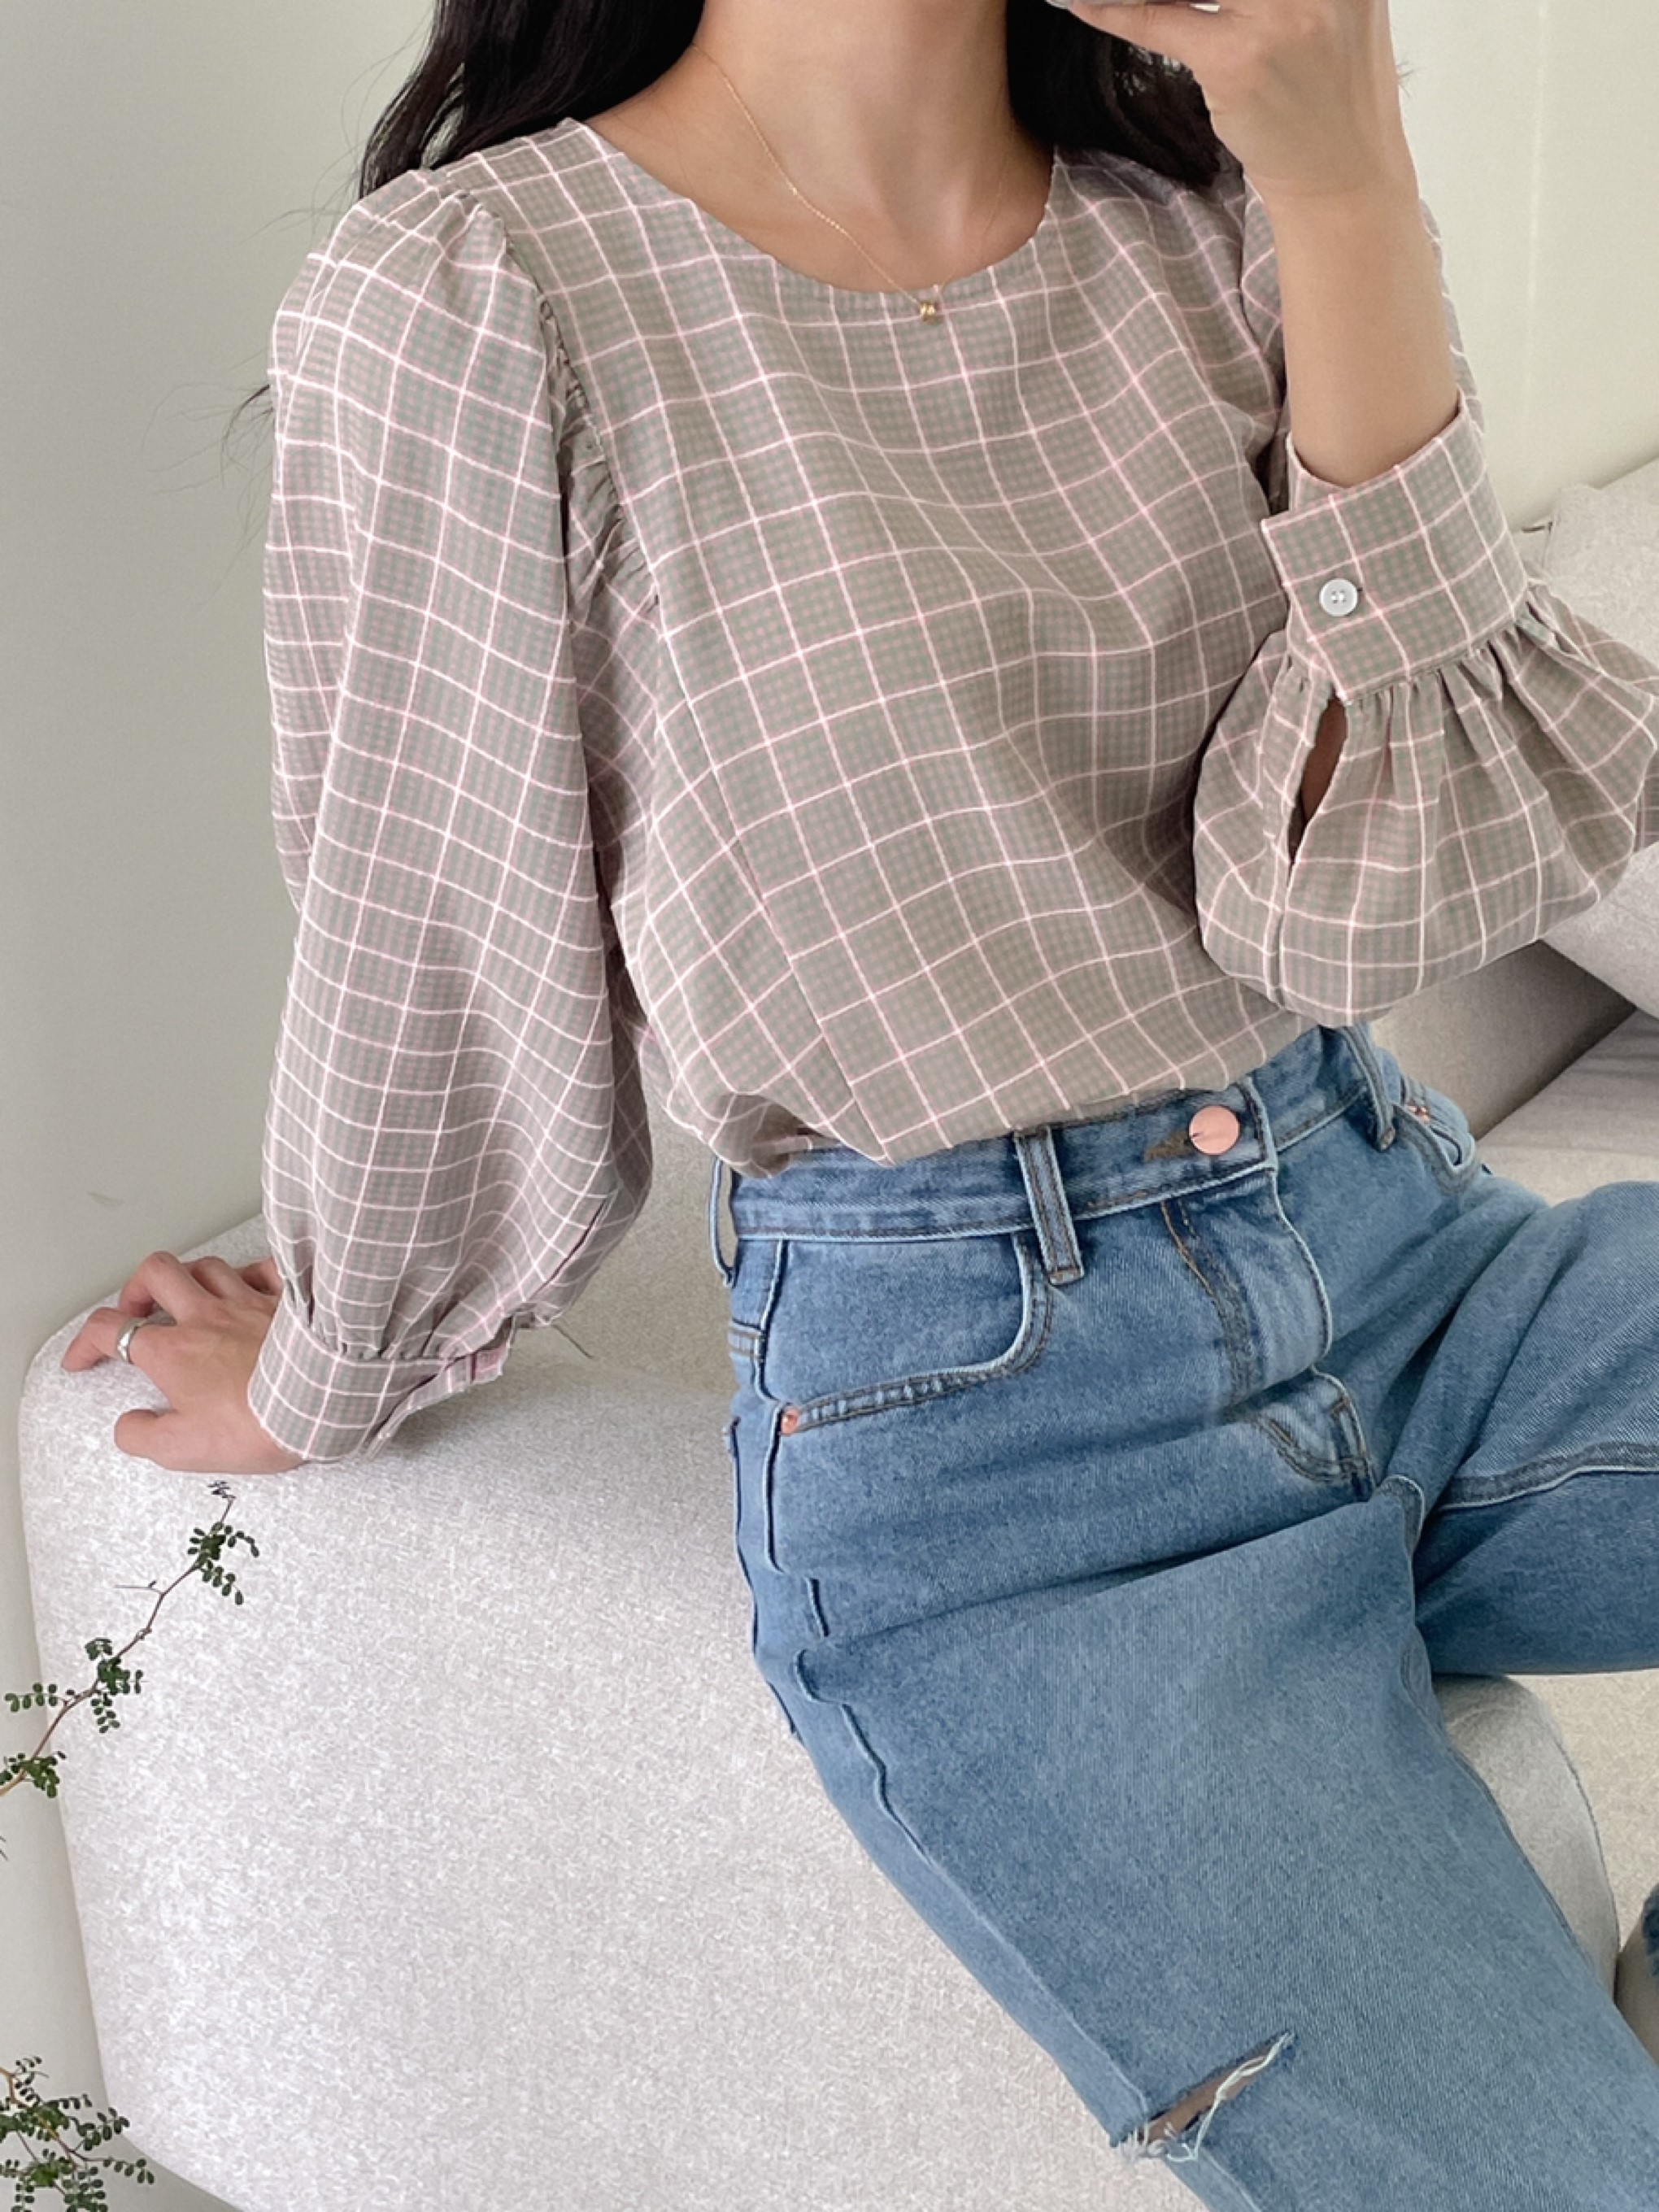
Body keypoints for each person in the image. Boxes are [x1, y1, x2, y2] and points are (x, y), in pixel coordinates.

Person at [62, 0, 1659, 2199]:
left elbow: (1375, 893)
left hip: (1406, 1243)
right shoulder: (478, 290)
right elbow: (437, 924)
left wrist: (1348, 176)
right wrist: (337, 1356)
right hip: (1010, 1467)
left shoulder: (1206, 208)